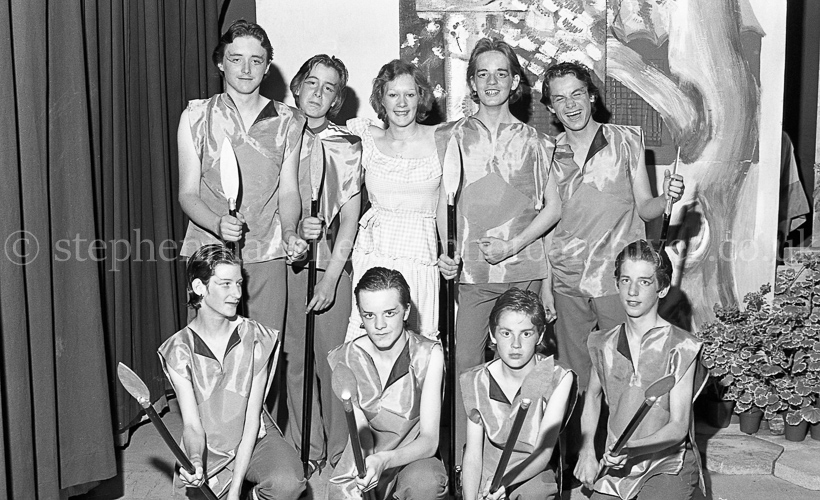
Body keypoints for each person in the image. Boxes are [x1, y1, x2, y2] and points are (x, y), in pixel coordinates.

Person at [436, 38, 564, 465]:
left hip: (523, 271)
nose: (492, 81)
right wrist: (448, 251)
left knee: (529, 367)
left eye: (502, 73)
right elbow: (443, 202)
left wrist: (518, 251)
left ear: (514, 84)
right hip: (472, 277)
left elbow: (553, 208)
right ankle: (464, 461)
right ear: (471, 83)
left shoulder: (534, 141)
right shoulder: (451, 136)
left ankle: (528, 459)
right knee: (467, 364)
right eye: (483, 73)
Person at [540, 61, 685, 393]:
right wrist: (547, 286)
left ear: (592, 96)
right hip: (567, 280)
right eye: (560, 99)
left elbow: (647, 209)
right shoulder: (547, 153)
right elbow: (549, 226)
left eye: (577, 94)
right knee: (571, 377)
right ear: (550, 106)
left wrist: (667, 198)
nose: (571, 104)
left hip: (617, 279)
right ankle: (577, 445)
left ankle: (620, 445)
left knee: (623, 374)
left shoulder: (625, 140)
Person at [177, 20, 307, 333]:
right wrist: (218, 223)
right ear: (221, 62)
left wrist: (289, 232)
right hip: (210, 248)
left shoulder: (290, 120)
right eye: (236, 59)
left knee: (265, 352)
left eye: (256, 60)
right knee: (209, 352)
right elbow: (187, 193)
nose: (246, 69)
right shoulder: (196, 115)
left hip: (268, 251)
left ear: (267, 67)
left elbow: (289, 191)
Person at [158, 244, 305, 500]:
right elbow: (192, 425)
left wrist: (236, 490)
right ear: (199, 288)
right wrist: (195, 459)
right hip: (209, 445)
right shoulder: (179, 349)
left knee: (288, 483)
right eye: (225, 284)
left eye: (238, 283)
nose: (237, 293)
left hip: (255, 436)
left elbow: (252, 419)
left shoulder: (256, 336)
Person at [573, 240, 706, 499]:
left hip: (666, 463)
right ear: (616, 284)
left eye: (644, 282)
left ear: (662, 288)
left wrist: (632, 448)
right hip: (618, 464)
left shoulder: (682, 345)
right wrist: (587, 450)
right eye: (625, 280)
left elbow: (678, 426)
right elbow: (592, 396)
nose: (632, 291)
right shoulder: (602, 342)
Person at [281, 54, 363, 473]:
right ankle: (305, 448)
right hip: (288, 264)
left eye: (328, 88)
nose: (317, 93)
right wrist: (293, 231)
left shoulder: (348, 145)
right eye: (311, 83)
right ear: (297, 86)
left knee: (333, 360)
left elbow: (349, 217)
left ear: (336, 99)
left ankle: (339, 452)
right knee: (295, 360)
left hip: (332, 265)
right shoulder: (276, 135)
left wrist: (332, 278)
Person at [345, 60, 446, 340]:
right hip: (374, 255)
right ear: (381, 99)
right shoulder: (364, 137)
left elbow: (444, 208)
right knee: (368, 345)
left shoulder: (442, 138)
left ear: (421, 98)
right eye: (393, 95)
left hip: (420, 256)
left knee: (418, 350)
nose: (401, 103)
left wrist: (449, 251)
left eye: (410, 94)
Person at [328, 267, 448, 499]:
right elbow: (361, 435)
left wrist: (384, 460)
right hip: (365, 456)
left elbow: (430, 440)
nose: (379, 325)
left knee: (426, 483)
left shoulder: (428, 354)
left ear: (406, 311)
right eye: (369, 315)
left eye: (389, 313)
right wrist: (368, 468)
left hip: (411, 457)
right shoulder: (345, 357)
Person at [460, 288, 575, 500]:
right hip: (487, 474)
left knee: (537, 492)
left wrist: (504, 481)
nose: (515, 344)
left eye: (526, 333)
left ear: (540, 335)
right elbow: (474, 454)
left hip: (530, 472)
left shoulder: (558, 376)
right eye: (506, 333)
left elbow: (544, 450)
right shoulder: (475, 380)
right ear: (493, 335)